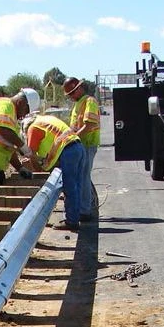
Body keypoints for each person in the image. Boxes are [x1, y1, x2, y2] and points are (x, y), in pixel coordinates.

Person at [23, 114, 85, 231]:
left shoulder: (33, 128)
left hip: (68, 151)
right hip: (78, 146)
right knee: (76, 186)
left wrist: (38, 172)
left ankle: (72, 221)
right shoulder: (46, 120)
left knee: (70, 187)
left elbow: (31, 154)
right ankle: (75, 217)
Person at [62, 77, 100, 222]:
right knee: (81, 177)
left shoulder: (89, 101)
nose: (71, 97)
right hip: (80, 144)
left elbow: (89, 125)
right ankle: (84, 207)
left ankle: (84, 210)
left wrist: (74, 139)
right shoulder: (78, 103)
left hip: (87, 144)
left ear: (79, 88)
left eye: (72, 93)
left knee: (83, 177)